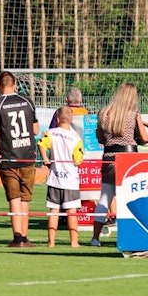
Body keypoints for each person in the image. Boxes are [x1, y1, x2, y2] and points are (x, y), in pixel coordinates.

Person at [89, 82, 148, 247]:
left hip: (109, 156)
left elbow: (101, 139)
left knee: (105, 197)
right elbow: (144, 139)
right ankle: (130, 235)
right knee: (129, 197)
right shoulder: (133, 114)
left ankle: (95, 237)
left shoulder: (104, 113)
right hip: (129, 158)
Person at [0, 70, 39, 248]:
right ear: (15, 84)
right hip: (28, 158)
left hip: (9, 159)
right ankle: (24, 237)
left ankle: (17, 238)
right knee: (25, 199)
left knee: (14, 199)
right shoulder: (27, 102)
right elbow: (36, 129)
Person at [38, 106, 85, 247]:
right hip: (70, 180)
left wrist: (45, 158)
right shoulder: (76, 138)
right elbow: (78, 160)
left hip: (54, 179)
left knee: (54, 211)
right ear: (71, 120)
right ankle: (74, 242)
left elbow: (41, 144)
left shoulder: (51, 133)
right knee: (72, 211)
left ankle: (51, 242)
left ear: (57, 119)